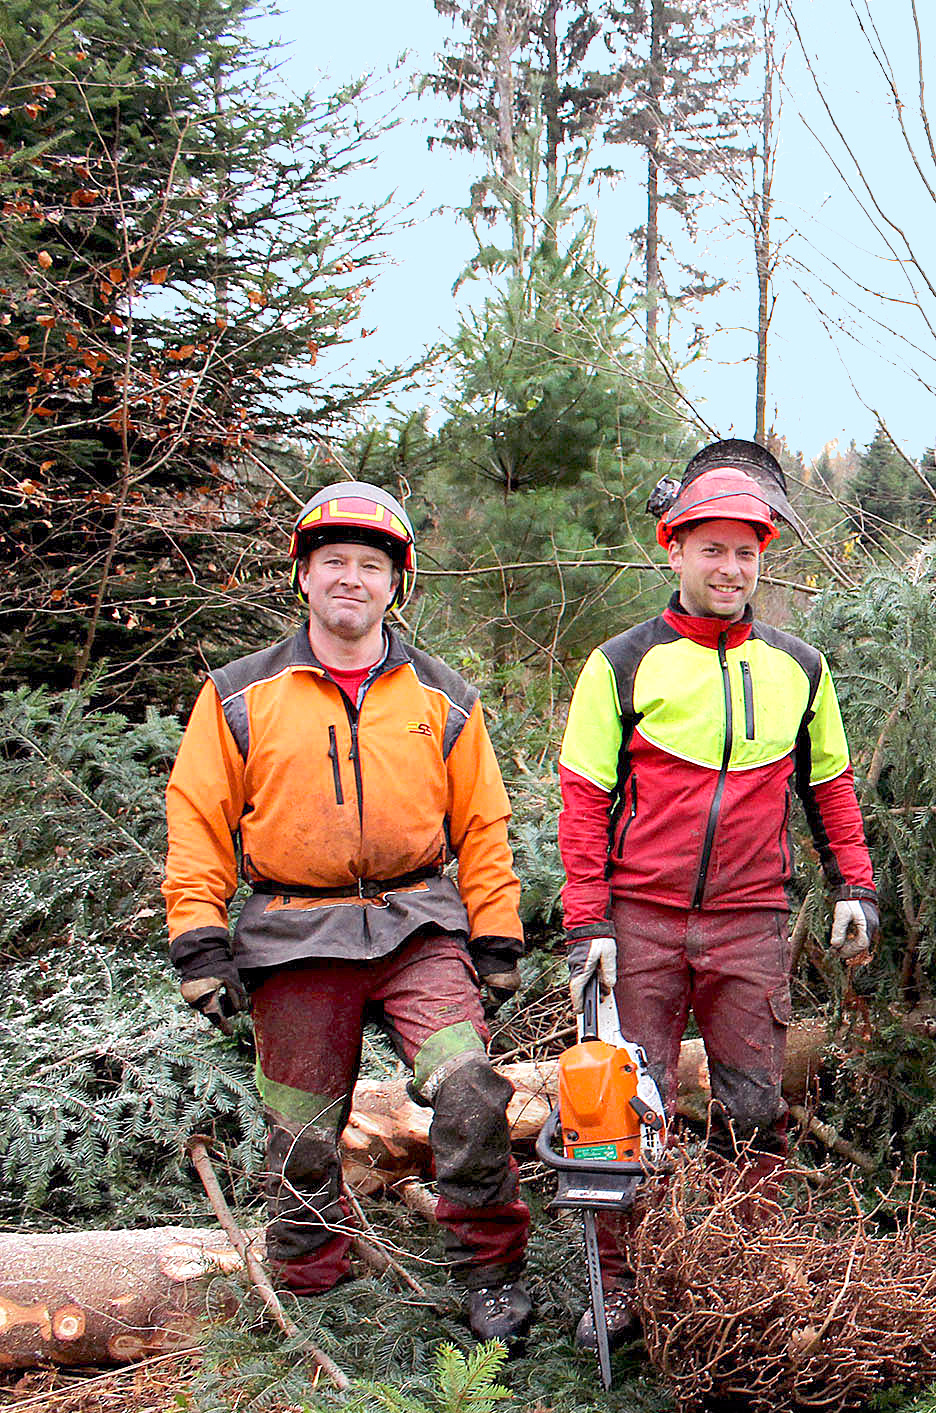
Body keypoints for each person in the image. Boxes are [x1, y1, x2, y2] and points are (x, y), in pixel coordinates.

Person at [163, 481, 534, 1342]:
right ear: (303, 576)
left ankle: (490, 1276)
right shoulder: (237, 696)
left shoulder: (444, 698)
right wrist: (199, 942)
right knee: (300, 1131)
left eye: (371, 565)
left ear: (395, 585)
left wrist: (497, 934)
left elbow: (482, 825)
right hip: (293, 932)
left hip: (417, 927)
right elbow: (197, 820)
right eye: (334, 562)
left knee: (471, 1090)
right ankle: (309, 1287)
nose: (351, 580)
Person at [557, 439, 881, 1349]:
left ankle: (738, 1266)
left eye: (745, 550)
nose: (730, 566)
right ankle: (619, 1283)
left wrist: (852, 881)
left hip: (752, 919)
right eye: (711, 548)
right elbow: (582, 800)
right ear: (675, 549)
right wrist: (587, 923)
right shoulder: (620, 664)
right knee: (622, 1107)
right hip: (641, 921)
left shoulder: (798, 666)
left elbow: (831, 786)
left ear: (761, 555)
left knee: (752, 1106)